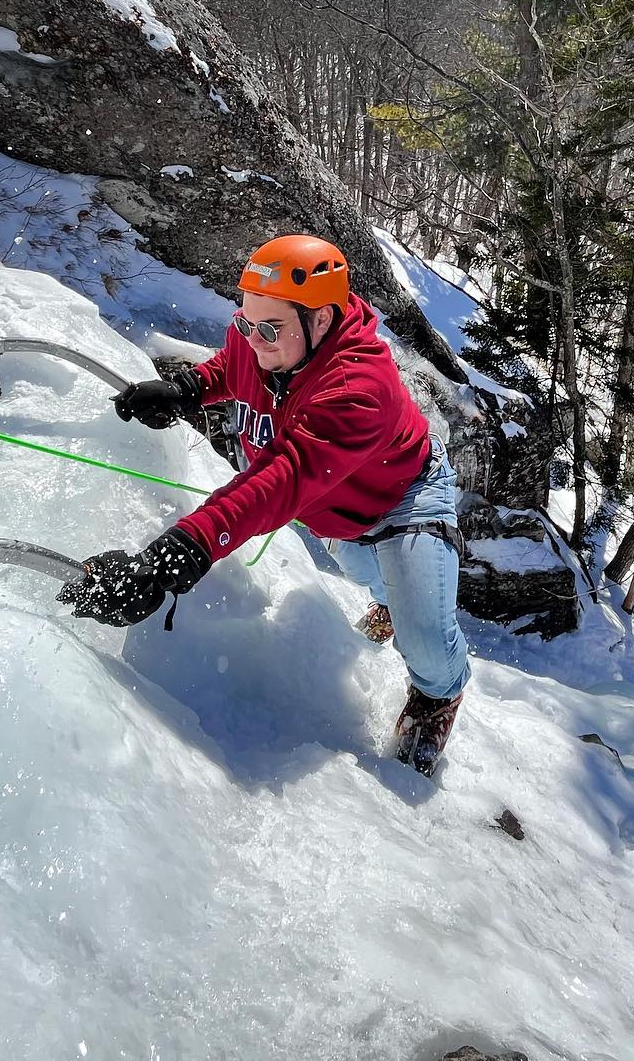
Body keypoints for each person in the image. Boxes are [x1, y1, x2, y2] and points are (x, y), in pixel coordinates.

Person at [57, 234, 471, 773]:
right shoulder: (267, 337)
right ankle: (389, 601)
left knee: (428, 644)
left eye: (269, 328)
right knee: (369, 572)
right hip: (334, 508)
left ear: (321, 319)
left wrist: (173, 558)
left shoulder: (357, 386)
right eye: (245, 322)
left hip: (404, 497)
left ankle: (440, 693)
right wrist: (184, 391)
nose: (252, 338)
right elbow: (231, 367)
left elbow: (282, 478)